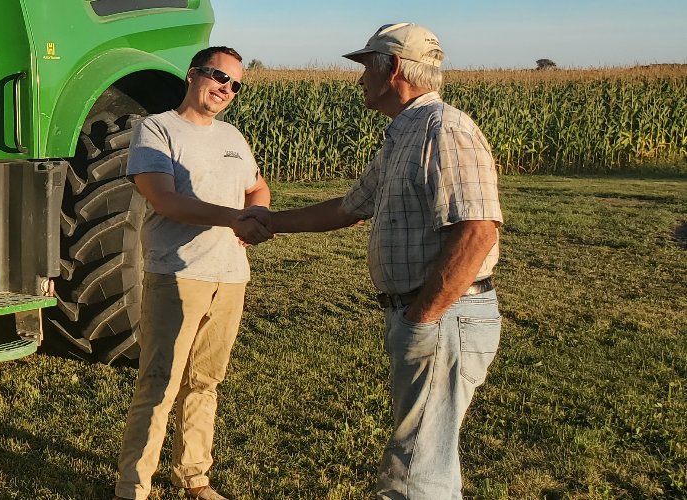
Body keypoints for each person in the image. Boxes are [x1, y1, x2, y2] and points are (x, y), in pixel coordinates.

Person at [242, 23, 503, 499]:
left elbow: (478, 230)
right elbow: (347, 208)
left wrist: (424, 317)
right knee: (429, 451)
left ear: (394, 68)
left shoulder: (445, 130)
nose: (359, 79)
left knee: (416, 467)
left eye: (366, 67)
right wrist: (269, 222)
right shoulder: (403, 136)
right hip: (427, 314)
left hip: (444, 316)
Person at [114, 45, 271, 500]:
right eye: (218, 76)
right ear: (192, 74)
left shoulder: (233, 139)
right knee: (159, 383)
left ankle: (195, 477)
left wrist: (255, 214)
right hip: (177, 276)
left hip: (231, 278)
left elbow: (257, 186)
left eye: (235, 84)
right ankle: (133, 487)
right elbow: (164, 200)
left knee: (205, 381)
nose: (226, 89)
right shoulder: (156, 129)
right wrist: (233, 218)